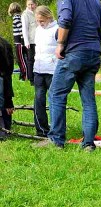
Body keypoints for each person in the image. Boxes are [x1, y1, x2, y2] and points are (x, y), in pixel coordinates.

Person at [35, 0, 101, 150]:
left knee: (56, 94)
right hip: (93, 53)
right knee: (88, 99)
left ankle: (56, 140)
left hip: (74, 53)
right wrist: (93, 41)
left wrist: (61, 44)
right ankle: (88, 143)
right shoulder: (95, 2)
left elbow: (66, 19)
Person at [32, 4, 57, 137]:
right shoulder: (38, 30)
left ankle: (56, 129)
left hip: (52, 71)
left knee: (54, 100)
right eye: (37, 21)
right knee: (38, 100)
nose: (40, 23)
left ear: (48, 17)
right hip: (39, 69)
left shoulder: (57, 29)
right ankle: (41, 130)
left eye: (42, 21)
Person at [8, 3, 27, 81]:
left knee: (21, 60)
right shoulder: (19, 16)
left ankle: (24, 76)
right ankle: (23, 74)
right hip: (20, 42)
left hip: (19, 43)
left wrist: (22, 42)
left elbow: (21, 30)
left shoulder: (16, 17)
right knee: (22, 59)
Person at [0, 34, 14, 137]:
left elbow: (7, 74)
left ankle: (3, 130)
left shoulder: (5, 45)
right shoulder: (6, 44)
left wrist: (9, 101)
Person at [21, 0, 35, 86]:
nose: (30, 6)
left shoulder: (37, 12)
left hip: (38, 40)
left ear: (35, 4)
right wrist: (26, 41)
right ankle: (31, 79)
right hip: (30, 41)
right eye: (29, 4)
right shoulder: (25, 14)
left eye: (32, 4)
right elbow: (24, 29)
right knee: (30, 60)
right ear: (26, 5)